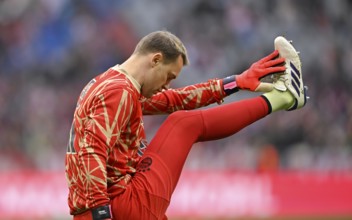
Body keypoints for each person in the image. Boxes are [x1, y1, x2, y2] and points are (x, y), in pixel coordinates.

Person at [65, 31, 307, 220]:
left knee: (180, 118)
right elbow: (92, 151)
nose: (167, 85)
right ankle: (283, 97)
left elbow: (175, 100)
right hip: (122, 205)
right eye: (169, 76)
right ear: (155, 60)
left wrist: (237, 83)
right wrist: (101, 214)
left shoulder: (109, 83)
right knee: (182, 124)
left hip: (109, 206)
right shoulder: (121, 91)